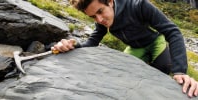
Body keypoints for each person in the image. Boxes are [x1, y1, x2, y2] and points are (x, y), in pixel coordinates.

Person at [51, 0, 198, 97]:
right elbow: (92, 42)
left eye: (100, 11)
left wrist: (180, 71)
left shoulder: (139, 5)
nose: (100, 20)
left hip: (154, 41)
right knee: (123, 74)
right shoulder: (101, 21)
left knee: (164, 67)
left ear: (110, 1)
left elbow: (173, 32)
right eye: (93, 17)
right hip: (134, 47)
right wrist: (72, 46)